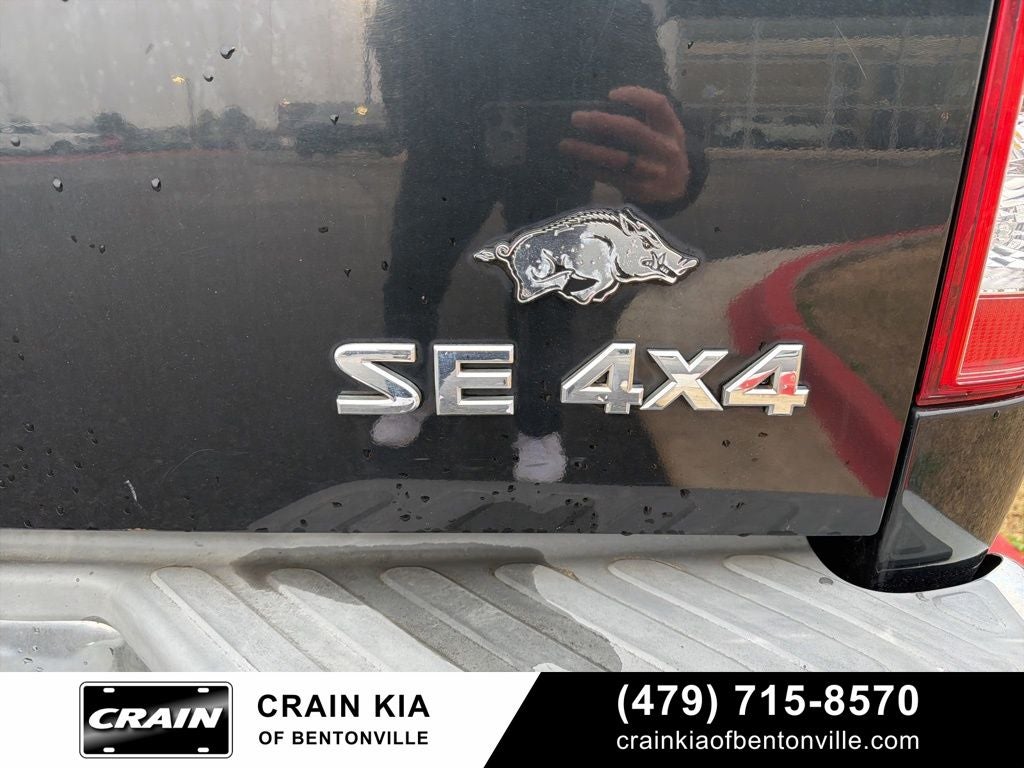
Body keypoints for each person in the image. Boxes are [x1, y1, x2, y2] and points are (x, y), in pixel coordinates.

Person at [368, 0, 707, 482]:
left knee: (546, 296)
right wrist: (416, 124)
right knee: (413, 276)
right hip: (446, 153)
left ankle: (538, 424)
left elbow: (645, 91)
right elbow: (396, 48)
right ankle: (409, 392)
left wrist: (681, 167)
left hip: (556, 155)